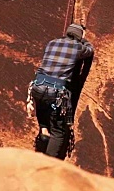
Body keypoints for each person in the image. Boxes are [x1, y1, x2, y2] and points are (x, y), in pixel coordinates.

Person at [26, 23, 94, 159]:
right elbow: (90, 50)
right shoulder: (78, 47)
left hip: (38, 87)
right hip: (56, 92)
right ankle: (49, 164)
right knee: (58, 131)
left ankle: (44, 134)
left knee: (44, 121)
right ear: (79, 35)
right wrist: (84, 39)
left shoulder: (52, 43)